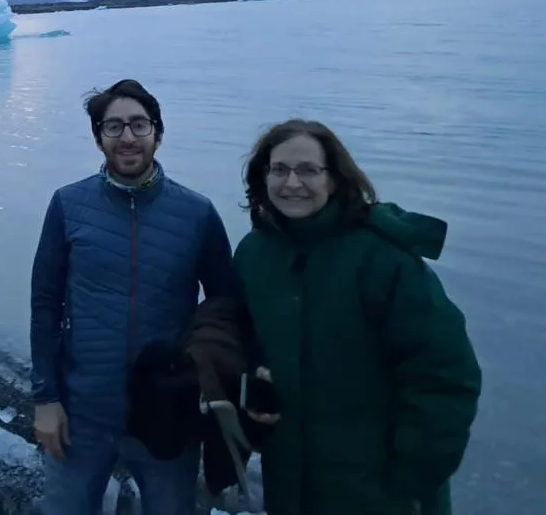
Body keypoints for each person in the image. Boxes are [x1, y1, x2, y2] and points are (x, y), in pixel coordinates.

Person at [234, 119, 482, 515]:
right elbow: (247, 340)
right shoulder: (254, 254)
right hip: (291, 481)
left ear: (335, 178)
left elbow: (446, 377)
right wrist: (256, 382)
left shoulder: (383, 259)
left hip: (381, 489)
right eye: (279, 169)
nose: (292, 183)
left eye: (308, 170)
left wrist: (414, 480)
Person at [30, 78, 237, 515]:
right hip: (81, 412)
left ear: (157, 134)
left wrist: (209, 388)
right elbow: (46, 305)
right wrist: (46, 399)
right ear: (98, 137)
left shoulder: (197, 214)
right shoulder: (68, 205)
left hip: (167, 413)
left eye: (139, 125)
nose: (127, 137)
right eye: (114, 126)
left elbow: (224, 309)